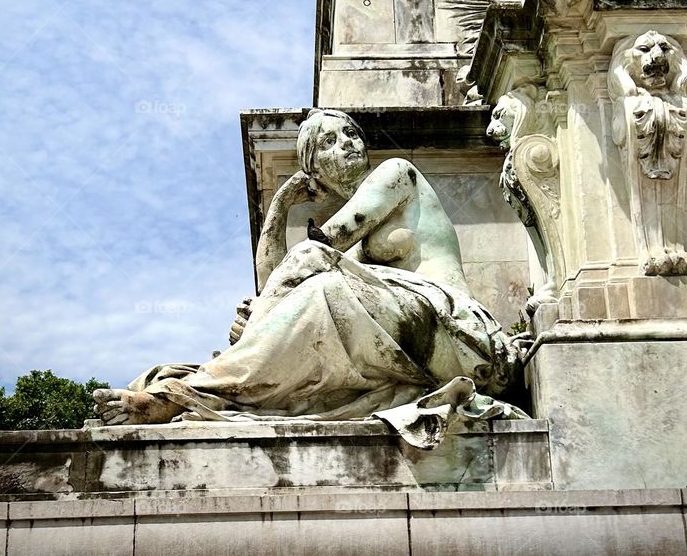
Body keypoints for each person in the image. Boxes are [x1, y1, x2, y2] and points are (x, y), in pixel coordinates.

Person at [92, 109, 526, 432]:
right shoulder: (355, 276)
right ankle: (216, 390)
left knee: (312, 276)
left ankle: (191, 392)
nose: (350, 143)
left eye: (352, 134)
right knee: (312, 307)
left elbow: (315, 253)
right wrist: (281, 204)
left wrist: (259, 320)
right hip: (417, 350)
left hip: (466, 340)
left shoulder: (396, 174)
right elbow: (282, 286)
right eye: (330, 141)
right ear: (313, 167)